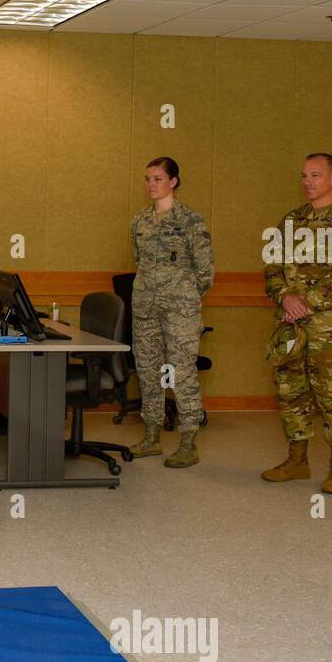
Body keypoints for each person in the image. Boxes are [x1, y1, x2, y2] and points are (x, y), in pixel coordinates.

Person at [261, 152, 332, 495]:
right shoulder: (291, 220)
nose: (308, 181)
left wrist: (305, 303)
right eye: (304, 176)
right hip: (292, 326)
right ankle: (297, 460)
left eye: (316, 175)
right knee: (291, 391)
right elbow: (272, 267)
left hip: (331, 331)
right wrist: (284, 298)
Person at [127, 157, 214, 468]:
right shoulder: (140, 221)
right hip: (145, 305)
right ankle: (151, 436)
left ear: (174, 182)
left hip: (181, 310)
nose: (152, 185)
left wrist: (184, 295)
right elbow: (139, 259)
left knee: (181, 372)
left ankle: (188, 440)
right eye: (148, 179)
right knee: (149, 370)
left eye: (158, 179)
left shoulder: (191, 221)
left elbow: (205, 272)